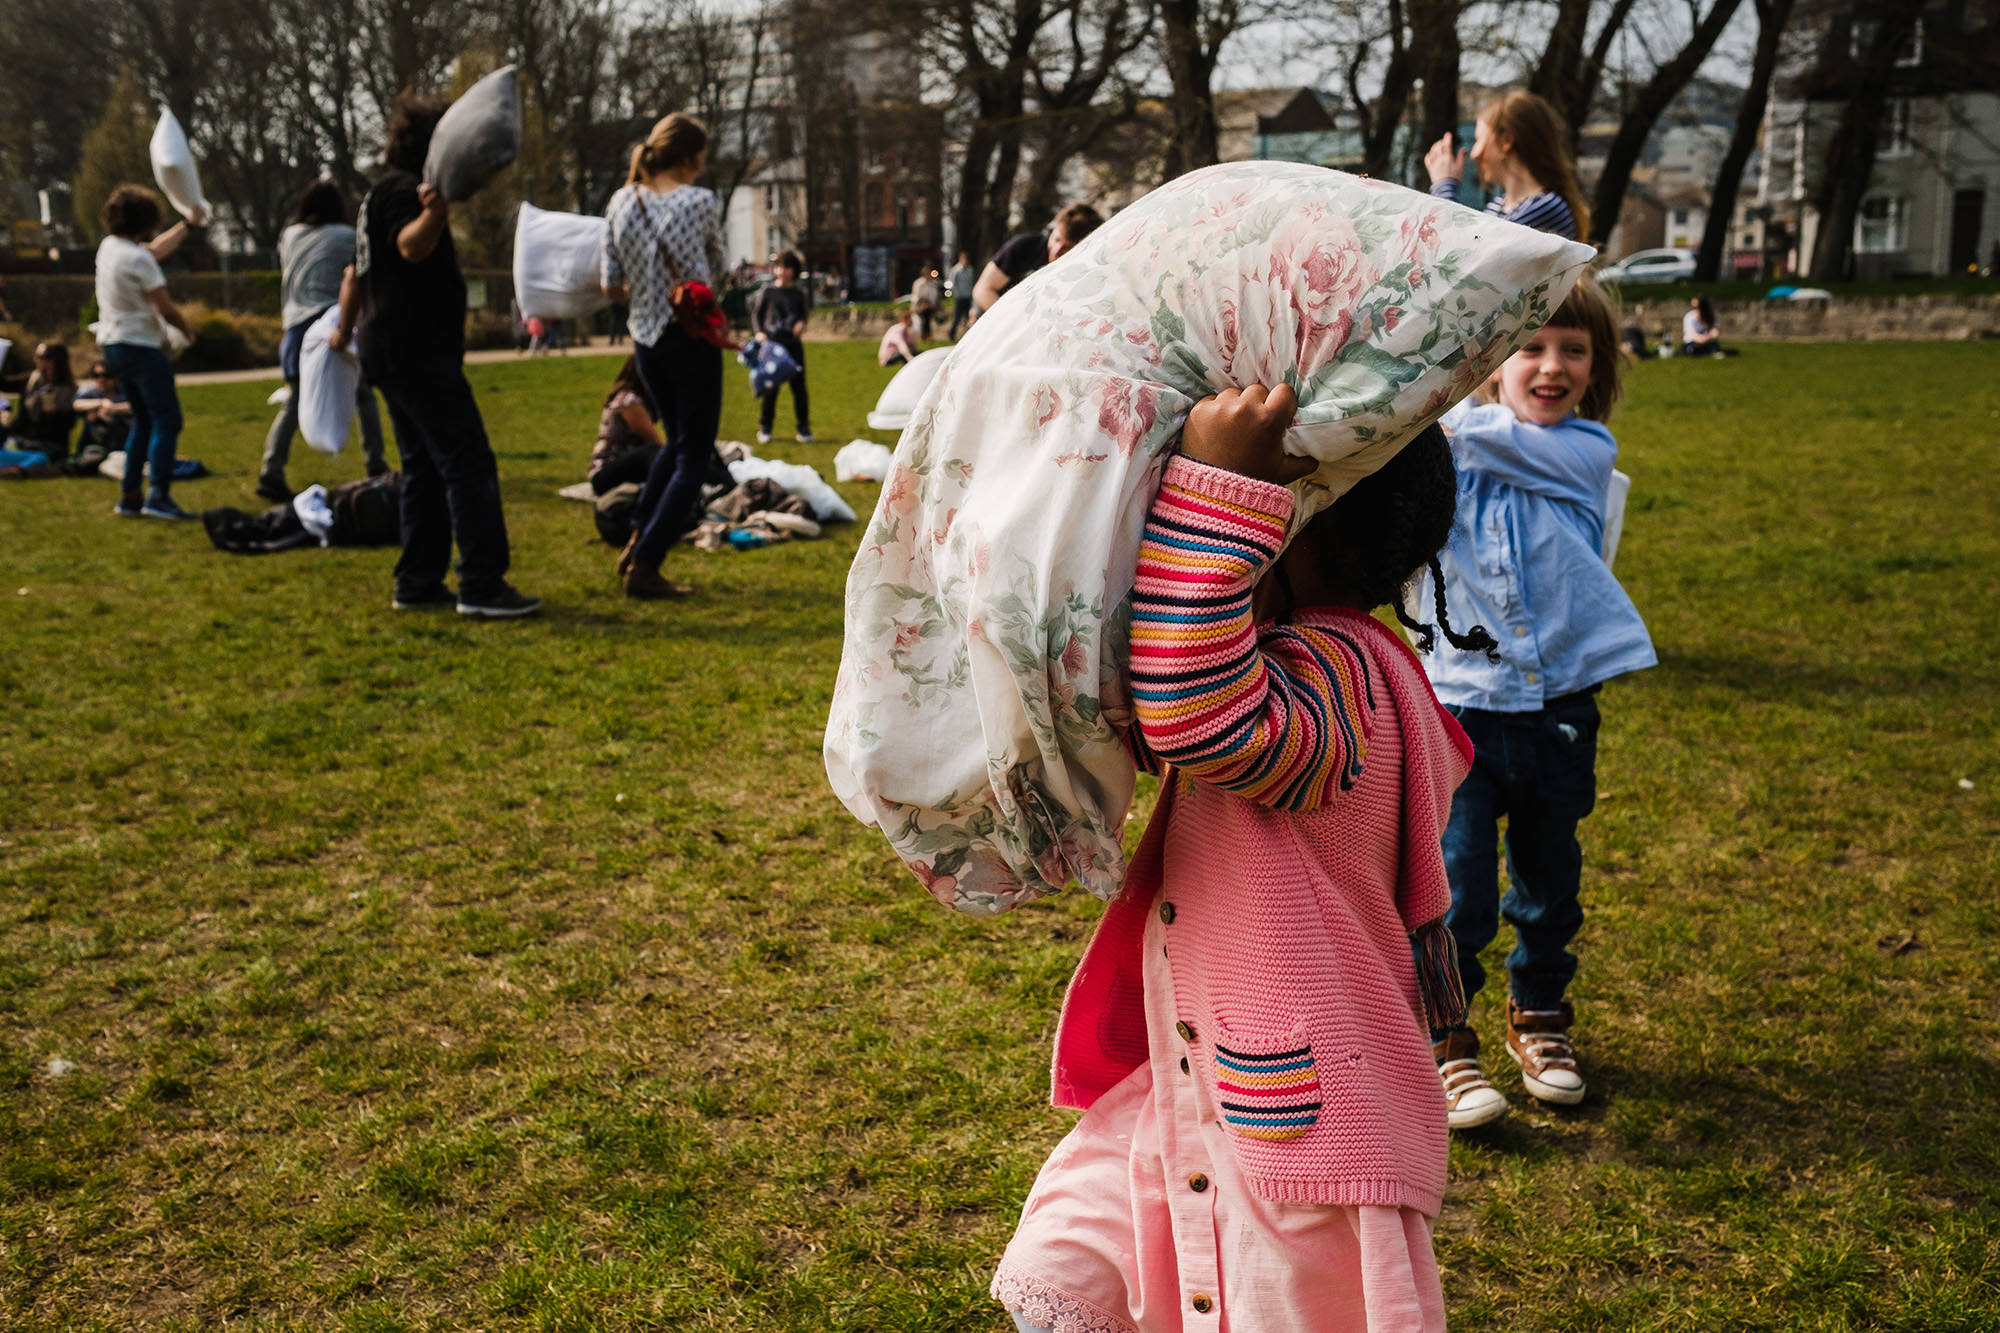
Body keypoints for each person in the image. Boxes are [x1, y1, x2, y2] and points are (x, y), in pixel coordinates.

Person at [994, 384, 1496, 1333]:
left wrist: (1219, 485)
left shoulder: (1343, 669)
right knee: (1067, 1268)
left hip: (1295, 1119)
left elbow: (1196, 710)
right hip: (1202, 1076)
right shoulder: (1308, 664)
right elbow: (1170, 703)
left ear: (1292, 522)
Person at [1415, 275, 1655, 1129]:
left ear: (1597, 368)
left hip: (1558, 711)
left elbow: (1463, 436)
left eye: (1573, 350)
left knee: (1549, 883)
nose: (1551, 367)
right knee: (1461, 887)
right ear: (1490, 362)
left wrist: (1423, 404)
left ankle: (1541, 1017)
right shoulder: (1446, 455)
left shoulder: (1581, 450)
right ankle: (1446, 1039)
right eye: (1530, 346)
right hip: (1463, 712)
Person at [337, 91, 539, 618]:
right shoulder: (406, 192)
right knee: (467, 461)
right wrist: (435, 215)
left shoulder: (376, 194)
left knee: (423, 468)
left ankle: (418, 581)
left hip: (390, 350)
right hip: (417, 351)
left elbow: (361, 271)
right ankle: (481, 583)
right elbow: (410, 246)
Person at [601, 111, 728, 600]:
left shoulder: (620, 200)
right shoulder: (699, 202)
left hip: (645, 342)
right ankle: (648, 563)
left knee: (675, 444)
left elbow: (610, 282)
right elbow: (716, 271)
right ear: (689, 156)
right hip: (691, 338)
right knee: (694, 456)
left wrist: (647, 293)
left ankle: (637, 535)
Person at [259, 179, 388, 503]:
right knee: (364, 394)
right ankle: (376, 464)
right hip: (331, 324)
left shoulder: (289, 236)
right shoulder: (348, 237)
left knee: (293, 401)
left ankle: (271, 469)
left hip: (295, 327)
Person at [95, 183, 202, 521]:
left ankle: (129, 497)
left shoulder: (109, 248)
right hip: (140, 347)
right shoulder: (139, 259)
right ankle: (158, 495)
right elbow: (167, 309)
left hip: (113, 345)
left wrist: (188, 224)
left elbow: (153, 249)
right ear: (147, 220)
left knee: (142, 420)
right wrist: (187, 333)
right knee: (168, 420)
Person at [1425, 89, 1587, 241]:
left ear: (1506, 142)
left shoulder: (1546, 207)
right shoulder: (1499, 206)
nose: (1474, 154)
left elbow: (1471, 256)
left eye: (1479, 140)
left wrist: (1443, 186)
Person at [971, 202, 1104, 314]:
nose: (1057, 250)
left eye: (1067, 247)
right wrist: (1015, 324)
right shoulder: (1023, 247)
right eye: (1057, 239)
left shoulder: (1086, 271)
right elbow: (983, 290)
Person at [751, 250, 812, 446]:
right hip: (772, 347)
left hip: (793, 347)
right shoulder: (767, 292)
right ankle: (765, 428)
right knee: (771, 390)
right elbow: (756, 315)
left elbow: (804, 315)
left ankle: (803, 429)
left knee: (799, 390)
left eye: (785, 267)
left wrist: (801, 324)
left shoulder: (798, 293)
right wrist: (759, 332)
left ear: (793, 271)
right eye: (778, 267)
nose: (781, 271)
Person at [588, 356, 664, 494]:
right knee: (653, 452)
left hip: (628, 469)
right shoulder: (629, 401)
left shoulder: (640, 400)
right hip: (605, 474)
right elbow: (654, 442)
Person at [1, 342, 78, 465]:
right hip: (22, 441)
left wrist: (53, 414)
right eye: (36, 356)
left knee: (39, 459)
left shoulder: (67, 390)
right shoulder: (32, 380)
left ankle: (18, 469)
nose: (36, 360)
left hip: (49, 446)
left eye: (41, 357)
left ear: (56, 361)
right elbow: (4, 384)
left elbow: (69, 424)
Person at [947, 251, 977, 339]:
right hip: (960, 297)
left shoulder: (971, 270)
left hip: (968, 297)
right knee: (957, 318)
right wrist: (956, 294)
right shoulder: (955, 270)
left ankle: (968, 336)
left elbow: (972, 283)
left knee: (969, 317)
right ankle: (951, 334)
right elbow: (952, 283)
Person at [910, 267, 941, 340]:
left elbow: (936, 296)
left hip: (931, 306)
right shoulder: (918, 283)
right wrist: (922, 303)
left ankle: (926, 335)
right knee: (925, 318)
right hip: (921, 306)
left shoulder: (934, 283)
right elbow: (916, 296)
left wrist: (936, 305)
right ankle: (925, 335)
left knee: (927, 318)